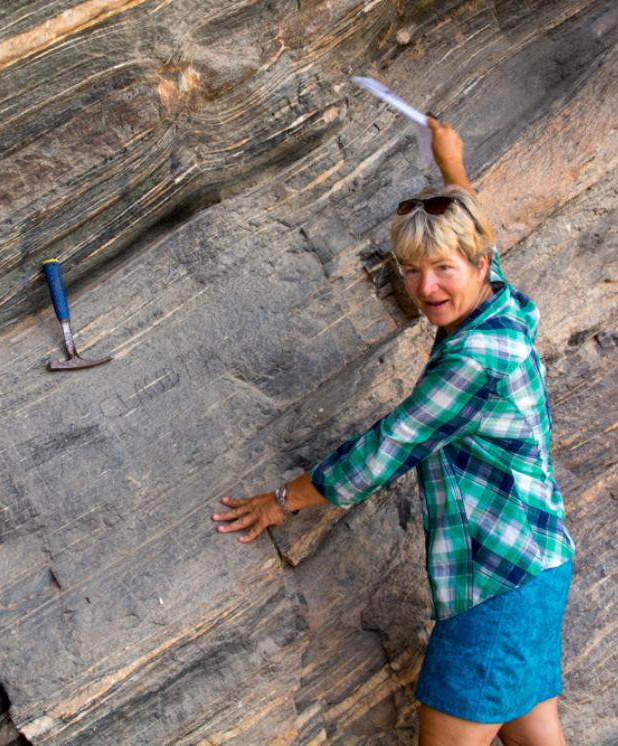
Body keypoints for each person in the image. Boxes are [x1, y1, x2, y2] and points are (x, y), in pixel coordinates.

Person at [212, 116, 576, 746]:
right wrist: (450, 165)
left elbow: (388, 448)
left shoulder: (473, 358)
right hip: (537, 564)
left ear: (477, 263)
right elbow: (476, 235)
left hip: (497, 583)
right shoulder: (502, 303)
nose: (423, 287)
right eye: (410, 269)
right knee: (535, 737)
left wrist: (281, 502)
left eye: (439, 268)